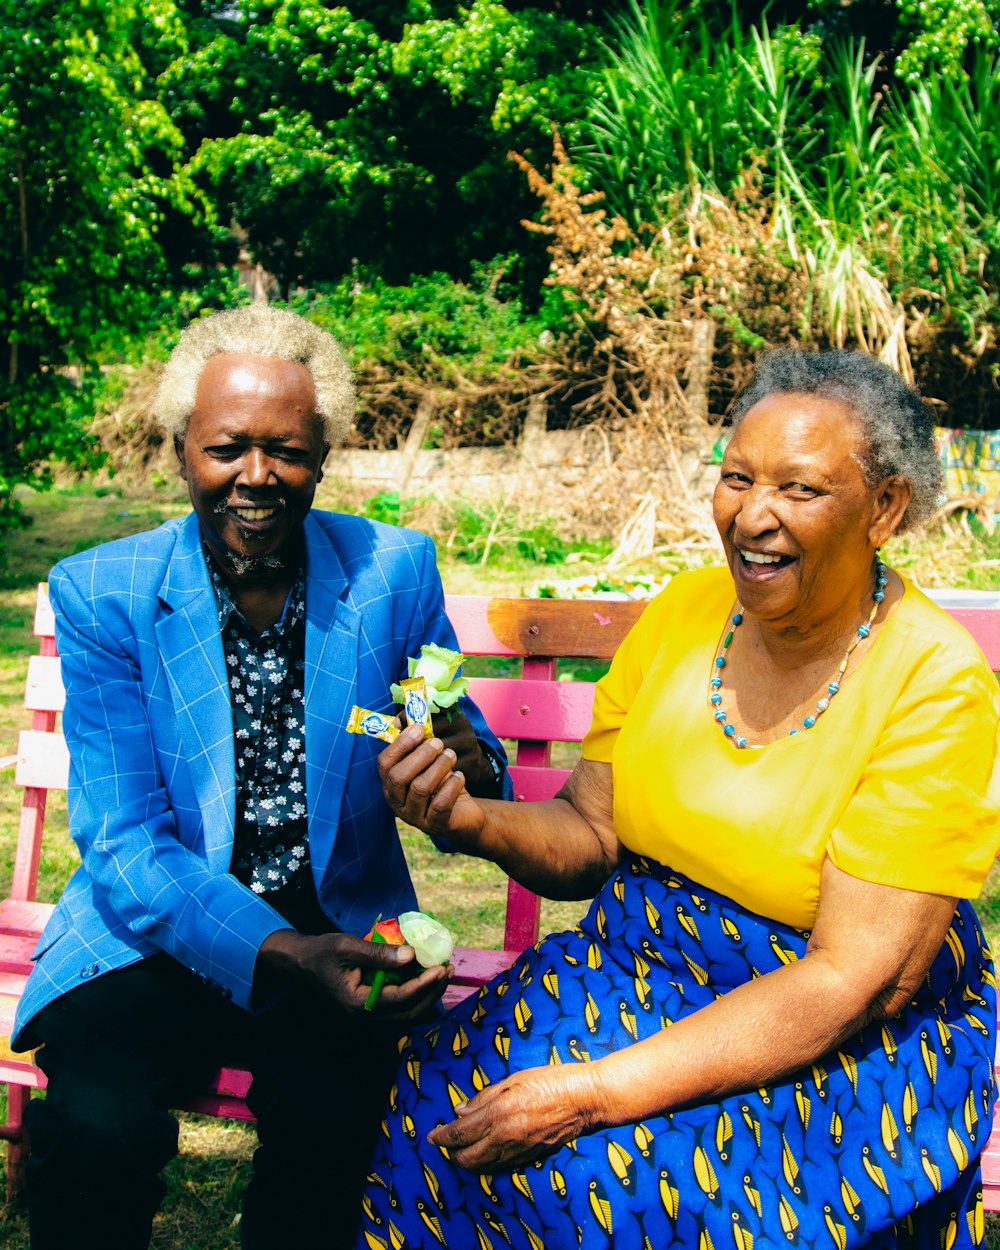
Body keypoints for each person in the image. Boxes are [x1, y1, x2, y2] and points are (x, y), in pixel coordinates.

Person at [361, 349, 1000, 1249]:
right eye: (736, 478)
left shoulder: (933, 684)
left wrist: (592, 1092)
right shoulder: (684, 614)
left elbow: (854, 983)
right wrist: (469, 820)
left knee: (613, 1185)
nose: (753, 516)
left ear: (885, 507)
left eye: (801, 490)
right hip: (636, 963)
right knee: (441, 1092)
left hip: (821, 1025)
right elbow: (591, 835)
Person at [11, 304, 512, 1250]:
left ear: (322, 456)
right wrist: (280, 952)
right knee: (94, 1126)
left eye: (285, 450)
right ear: (180, 451)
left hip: (338, 933)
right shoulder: (104, 592)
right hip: (151, 935)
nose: (256, 477)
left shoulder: (392, 571)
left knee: (332, 1128)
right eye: (227, 448)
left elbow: (431, 735)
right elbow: (125, 842)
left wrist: (452, 753)